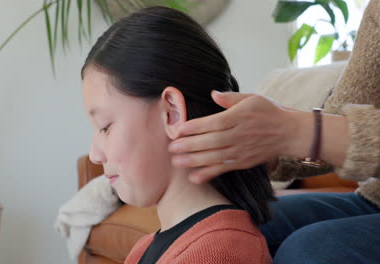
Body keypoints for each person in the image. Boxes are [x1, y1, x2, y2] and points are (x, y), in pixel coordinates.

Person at [168, 0, 380, 263]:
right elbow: (338, 119)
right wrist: (274, 150)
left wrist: (297, 130)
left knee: (311, 250)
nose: (101, 155)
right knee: (226, 222)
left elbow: (324, 131)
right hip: (377, 200)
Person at [81, 6, 275, 264]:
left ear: (171, 112)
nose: (94, 154)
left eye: (105, 126)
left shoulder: (222, 252)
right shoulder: (146, 248)